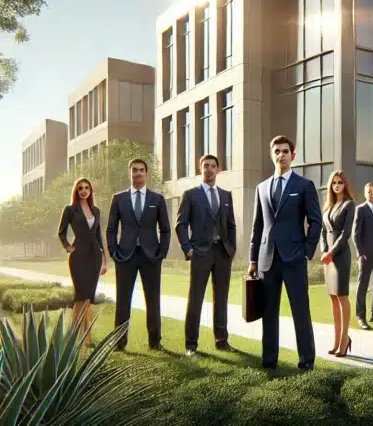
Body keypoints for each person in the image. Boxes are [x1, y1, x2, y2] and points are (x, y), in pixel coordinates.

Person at [248, 135, 322, 370]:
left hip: (294, 259)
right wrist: (252, 259)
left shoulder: (304, 186)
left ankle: (306, 361)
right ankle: (269, 360)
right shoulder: (261, 188)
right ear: (272, 155)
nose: (281, 155)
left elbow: (316, 222)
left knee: (301, 311)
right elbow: (257, 226)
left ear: (293, 155)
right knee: (269, 313)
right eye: (277, 151)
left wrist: (307, 252)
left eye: (285, 151)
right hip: (266, 260)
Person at [106, 158, 171, 351]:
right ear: (130, 173)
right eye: (134, 170)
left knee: (153, 299)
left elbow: (165, 229)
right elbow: (111, 229)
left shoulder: (157, 199)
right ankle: (119, 342)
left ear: (146, 174)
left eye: (141, 170)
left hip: (151, 256)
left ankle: (155, 341)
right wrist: (113, 251)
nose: (138, 173)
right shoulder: (119, 198)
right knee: (123, 300)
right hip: (125, 256)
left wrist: (162, 252)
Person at [176, 154, 237, 356]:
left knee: (221, 298)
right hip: (200, 252)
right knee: (196, 298)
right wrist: (188, 248)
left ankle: (222, 340)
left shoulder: (226, 195)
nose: (209, 169)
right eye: (205, 166)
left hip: (222, 253)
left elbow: (231, 225)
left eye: (212, 166)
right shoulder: (191, 195)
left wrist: (232, 248)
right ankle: (191, 344)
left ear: (218, 170)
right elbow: (181, 224)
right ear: (200, 169)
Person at [57, 177, 108, 347]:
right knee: (80, 296)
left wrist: (105, 260)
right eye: (80, 188)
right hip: (78, 256)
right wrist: (67, 247)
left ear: (91, 190)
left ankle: (85, 338)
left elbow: (99, 235)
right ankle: (73, 336)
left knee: (87, 299)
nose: (84, 190)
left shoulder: (96, 210)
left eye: (87, 188)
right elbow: (61, 232)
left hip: (94, 255)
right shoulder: (70, 210)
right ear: (76, 191)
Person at [319, 170, 356, 357]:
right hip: (329, 257)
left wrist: (332, 253)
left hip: (340, 256)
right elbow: (322, 231)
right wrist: (324, 251)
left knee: (342, 297)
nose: (337, 186)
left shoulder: (350, 204)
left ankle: (344, 339)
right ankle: (336, 341)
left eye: (340, 182)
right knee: (333, 298)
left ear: (345, 184)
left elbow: (345, 234)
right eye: (334, 183)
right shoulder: (328, 206)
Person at [351, 182, 373, 330]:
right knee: (363, 285)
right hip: (366, 254)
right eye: (369, 191)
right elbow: (355, 234)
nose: (372, 194)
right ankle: (361, 316)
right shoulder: (360, 209)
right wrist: (360, 253)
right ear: (365, 194)